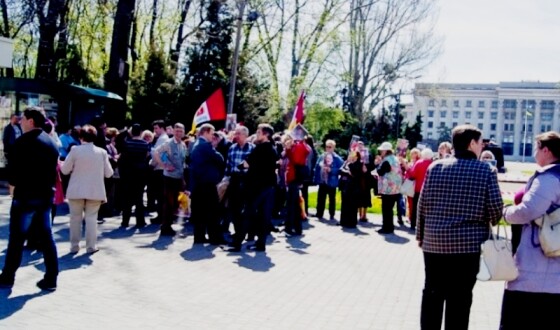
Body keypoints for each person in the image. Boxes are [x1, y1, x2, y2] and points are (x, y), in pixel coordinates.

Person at [417, 124, 503, 330]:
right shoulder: (486, 170)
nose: (482, 146)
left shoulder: (435, 167)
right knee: (460, 297)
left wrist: (421, 235)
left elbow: (423, 204)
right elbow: (495, 211)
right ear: (472, 143)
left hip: (434, 243)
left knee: (432, 293)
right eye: (481, 142)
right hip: (467, 246)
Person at [499, 131, 560, 329]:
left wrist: (506, 213)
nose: (534, 153)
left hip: (538, 267)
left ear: (546, 150)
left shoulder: (549, 178)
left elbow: (528, 210)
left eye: (536, 148)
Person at [0, 107, 59, 291]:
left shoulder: (22, 143)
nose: (20, 121)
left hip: (25, 196)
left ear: (31, 121)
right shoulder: (50, 143)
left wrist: (13, 184)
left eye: (23, 118)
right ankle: (51, 277)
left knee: (17, 238)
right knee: (47, 238)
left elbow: (13, 175)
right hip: (44, 197)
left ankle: (8, 276)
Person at [61, 124, 114, 254]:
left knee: (75, 218)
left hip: (76, 190)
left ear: (80, 137)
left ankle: (74, 246)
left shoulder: (75, 150)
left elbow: (65, 170)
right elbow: (109, 173)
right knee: (91, 218)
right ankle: (91, 246)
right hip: (95, 190)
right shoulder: (102, 152)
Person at [227, 124, 278, 252]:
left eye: (259, 132)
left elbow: (246, 163)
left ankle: (237, 243)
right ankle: (261, 244)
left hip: (257, 187)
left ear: (266, 134)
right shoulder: (272, 149)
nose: (256, 134)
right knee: (264, 216)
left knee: (247, 214)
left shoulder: (260, 148)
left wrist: (240, 167)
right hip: (269, 186)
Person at [188, 123, 225, 244]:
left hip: (199, 183)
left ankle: (199, 237)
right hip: (206, 184)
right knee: (213, 211)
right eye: (211, 133)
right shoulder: (204, 145)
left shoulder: (197, 144)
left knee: (200, 212)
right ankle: (215, 237)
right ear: (205, 132)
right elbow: (219, 158)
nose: (213, 136)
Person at [152, 123, 188, 236]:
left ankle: (169, 225)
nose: (179, 133)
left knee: (176, 203)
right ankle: (165, 227)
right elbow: (156, 152)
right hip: (169, 177)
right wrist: (164, 165)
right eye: (177, 130)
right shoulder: (168, 143)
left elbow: (184, 160)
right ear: (173, 131)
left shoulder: (183, 145)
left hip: (179, 177)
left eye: (181, 131)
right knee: (169, 203)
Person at [375, 141, 403, 234]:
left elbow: (380, 172)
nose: (381, 152)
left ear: (386, 151)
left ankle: (386, 228)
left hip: (388, 189)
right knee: (390, 209)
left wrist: (376, 166)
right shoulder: (395, 159)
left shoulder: (386, 160)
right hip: (396, 188)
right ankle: (390, 227)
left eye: (382, 150)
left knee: (386, 209)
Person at [313, 139, 344, 221]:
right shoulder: (322, 156)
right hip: (323, 180)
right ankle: (319, 213)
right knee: (320, 198)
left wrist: (332, 170)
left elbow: (341, 169)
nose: (328, 149)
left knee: (331, 199)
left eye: (330, 147)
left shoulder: (337, 158)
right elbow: (316, 167)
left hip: (331, 181)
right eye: (326, 147)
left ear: (333, 147)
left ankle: (332, 214)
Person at [405, 148, 433, 231]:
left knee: (415, 207)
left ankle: (413, 225)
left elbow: (412, 175)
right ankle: (424, 226)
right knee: (427, 208)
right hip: (429, 189)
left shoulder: (418, 163)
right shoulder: (433, 163)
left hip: (418, 188)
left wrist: (408, 169)